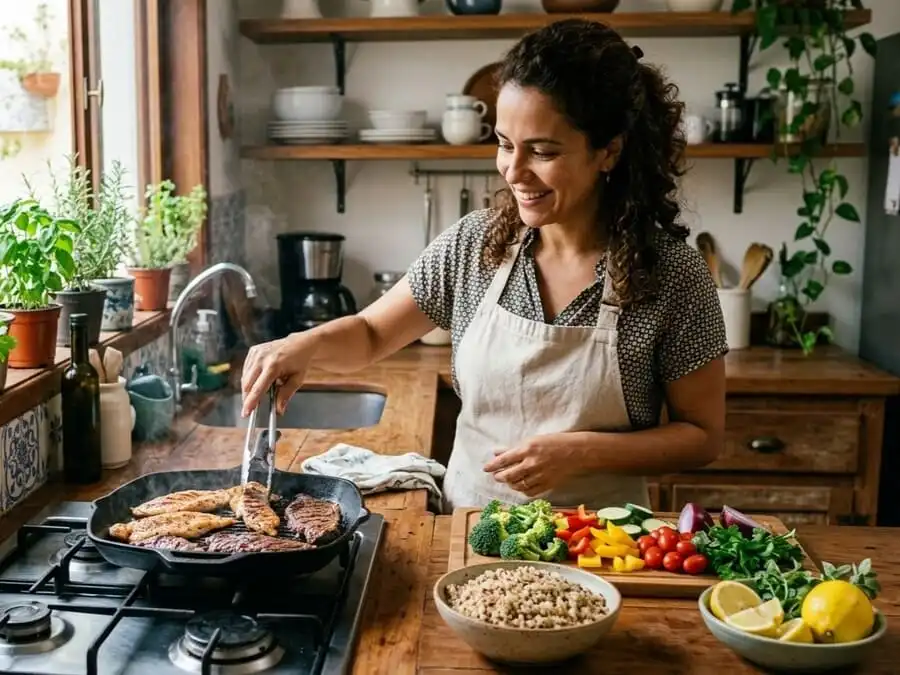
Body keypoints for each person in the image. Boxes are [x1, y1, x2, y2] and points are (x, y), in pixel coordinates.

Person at [241, 18, 728, 513]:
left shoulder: (673, 275)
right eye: (505, 144)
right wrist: (303, 344)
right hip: (468, 532)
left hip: (602, 542)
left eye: (542, 151)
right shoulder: (475, 244)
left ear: (609, 151)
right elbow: (370, 334)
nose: (514, 171)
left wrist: (583, 452)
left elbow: (702, 436)